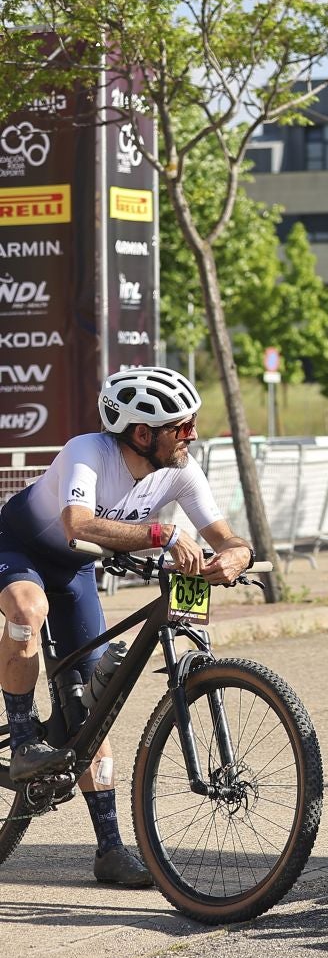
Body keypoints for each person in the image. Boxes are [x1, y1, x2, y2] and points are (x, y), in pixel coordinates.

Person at [0, 366, 253, 886]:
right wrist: (160, 532)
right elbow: (79, 525)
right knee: (28, 611)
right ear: (142, 433)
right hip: (18, 548)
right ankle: (24, 737)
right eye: (181, 427)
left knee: (99, 700)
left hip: (73, 570)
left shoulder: (181, 469)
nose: (192, 435)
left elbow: (226, 536)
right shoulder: (86, 450)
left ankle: (111, 850)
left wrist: (237, 557)